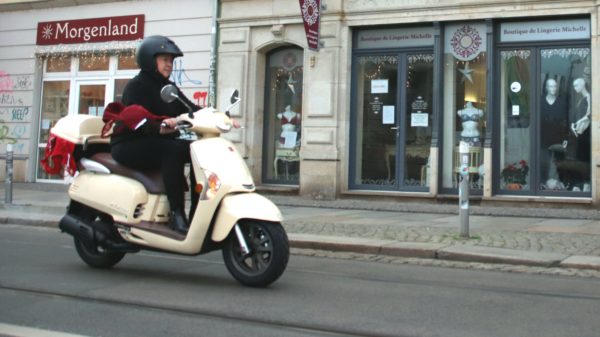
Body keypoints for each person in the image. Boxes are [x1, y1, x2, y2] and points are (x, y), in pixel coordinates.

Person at [110, 35, 200, 235]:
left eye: (171, 61)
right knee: (173, 150)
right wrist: (159, 126)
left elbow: (190, 108)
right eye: (165, 60)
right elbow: (137, 121)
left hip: (155, 142)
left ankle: (198, 211)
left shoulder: (169, 88)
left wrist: (215, 115)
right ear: (151, 61)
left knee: (198, 151)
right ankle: (177, 214)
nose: (169, 65)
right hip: (129, 144)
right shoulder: (137, 86)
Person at [540, 78, 568, 183]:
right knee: (543, 162)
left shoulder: (561, 102)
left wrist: (565, 137)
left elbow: (565, 121)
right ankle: (542, 184)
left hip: (558, 136)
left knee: (559, 162)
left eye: (555, 86)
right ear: (546, 87)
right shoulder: (541, 102)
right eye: (551, 86)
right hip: (543, 136)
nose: (553, 89)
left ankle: (562, 183)